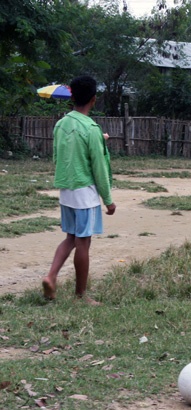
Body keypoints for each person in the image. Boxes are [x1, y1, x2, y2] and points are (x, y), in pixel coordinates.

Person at [42, 75, 116, 305]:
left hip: (66, 190)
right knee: (83, 243)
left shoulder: (61, 124)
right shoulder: (91, 128)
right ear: (94, 99)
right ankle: (81, 295)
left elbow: (58, 156)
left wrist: (99, 140)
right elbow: (99, 168)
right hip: (85, 193)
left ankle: (51, 276)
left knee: (70, 238)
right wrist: (108, 200)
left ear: (71, 97)